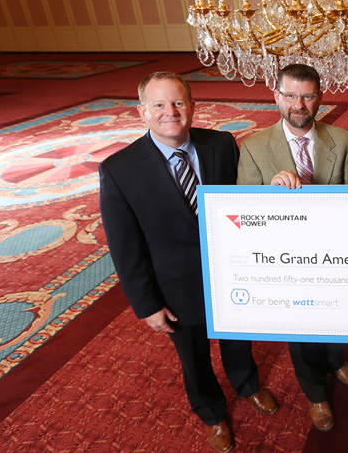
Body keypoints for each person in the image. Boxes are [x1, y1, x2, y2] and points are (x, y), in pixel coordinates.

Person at [99, 72, 277, 453]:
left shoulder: (222, 144)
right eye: (159, 105)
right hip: (175, 287)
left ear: (193, 106)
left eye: (179, 102)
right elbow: (125, 247)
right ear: (142, 111)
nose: (170, 112)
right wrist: (146, 305)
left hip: (231, 272)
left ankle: (247, 385)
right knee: (194, 359)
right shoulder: (119, 169)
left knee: (238, 341)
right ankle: (212, 412)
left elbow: (244, 204)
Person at [236, 63, 348, 432]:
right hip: (284, 256)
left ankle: (336, 359)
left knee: (335, 313)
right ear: (276, 96)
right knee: (301, 326)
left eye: (307, 96)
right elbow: (242, 213)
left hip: (332, 249)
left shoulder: (344, 140)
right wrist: (268, 194)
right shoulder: (254, 147)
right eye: (290, 95)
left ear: (320, 98)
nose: (299, 104)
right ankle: (316, 394)